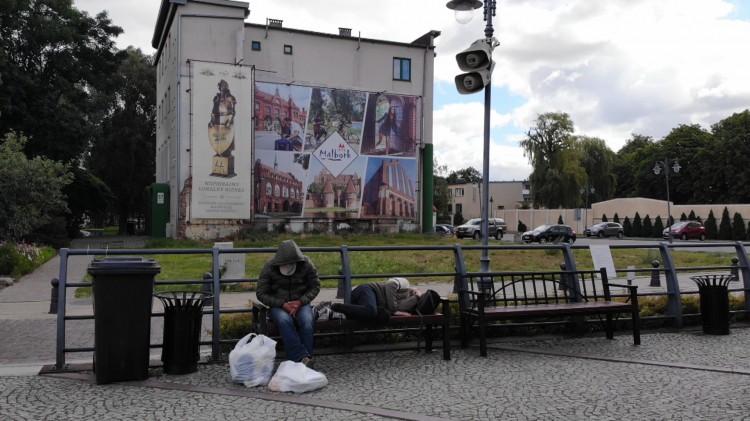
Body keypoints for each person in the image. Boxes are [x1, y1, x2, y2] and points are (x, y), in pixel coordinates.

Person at [256, 240, 321, 368]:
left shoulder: (306, 264)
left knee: (307, 322)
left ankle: (304, 360)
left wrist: (301, 301)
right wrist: (282, 304)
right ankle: (302, 359)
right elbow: (261, 293)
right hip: (278, 305)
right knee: (284, 320)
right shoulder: (269, 267)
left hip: (301, 303)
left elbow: (315, 286)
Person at [316, 278, 420, 323]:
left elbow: (399, 309)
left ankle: (335, 313)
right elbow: (390, 284)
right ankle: (333, 305)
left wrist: (417, 298)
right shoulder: (406, 284)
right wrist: (394, 310)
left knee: (384, 315)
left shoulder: (411, 300)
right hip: (368, 290)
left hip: (367, 305)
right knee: (371, 311)